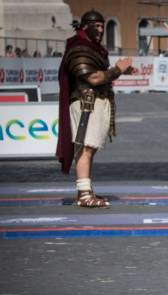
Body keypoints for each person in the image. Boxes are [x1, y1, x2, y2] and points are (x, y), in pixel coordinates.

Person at [56, 10, 133, 208]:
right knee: (85, 147)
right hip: (86, 103)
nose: (100, 30)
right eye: (96, 26)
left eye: (102, 26)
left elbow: (100, 75)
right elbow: (93, 78)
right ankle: (84, 194)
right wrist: (117, 70)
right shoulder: (79, 48)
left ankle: (85, 189)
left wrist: (118, 71)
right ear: (85, 27)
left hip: (93, 102)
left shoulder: (93, 49)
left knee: (89, 148)